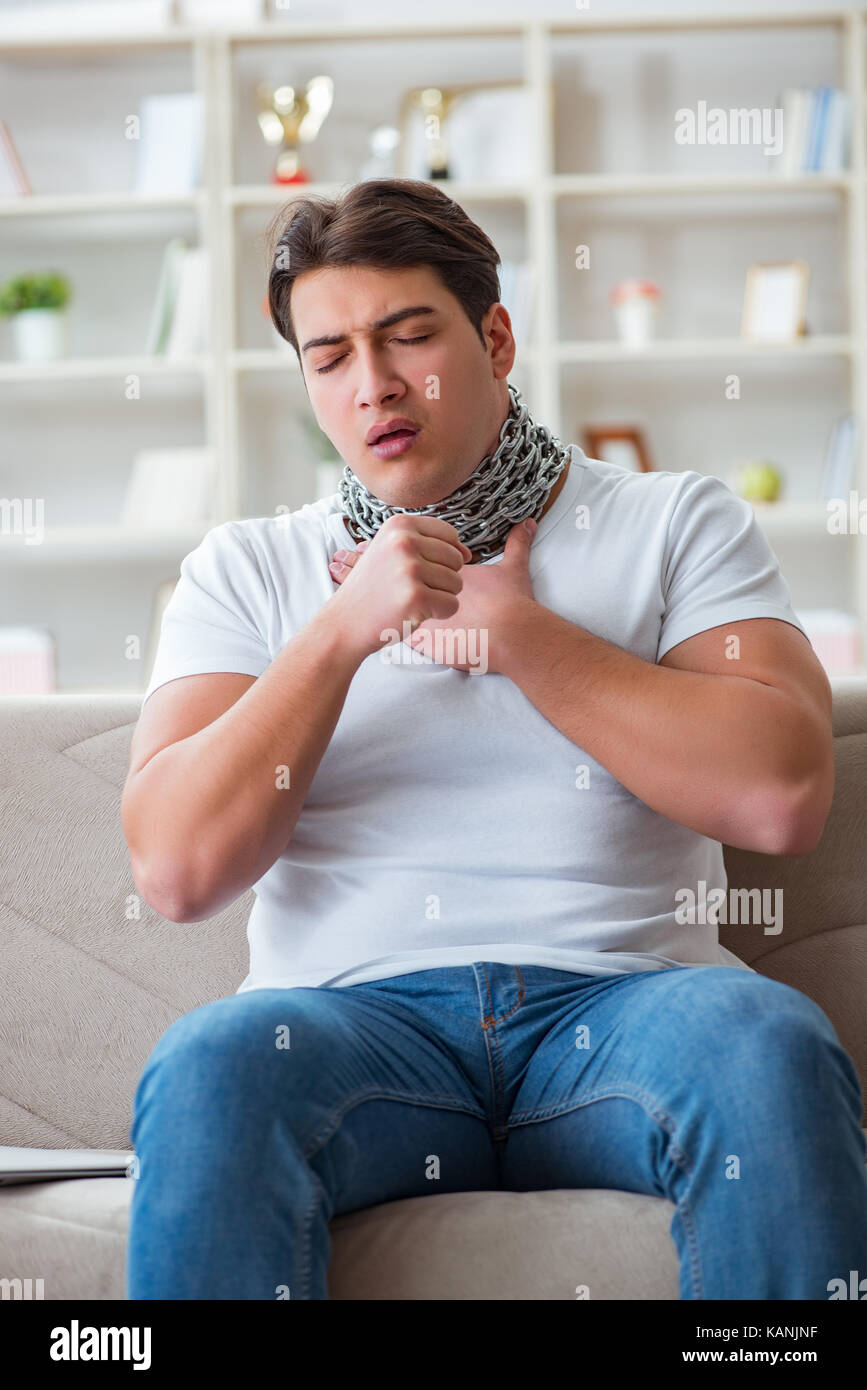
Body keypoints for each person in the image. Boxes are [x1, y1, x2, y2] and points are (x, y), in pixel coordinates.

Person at [121, 178, 867, 1300]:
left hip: (625, 1008)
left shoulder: (674, 523)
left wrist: (521, 636)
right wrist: (338, 635)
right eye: (328, 357)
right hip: (352, 1027)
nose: (372, 384)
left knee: (766, 1041)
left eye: (408, 335)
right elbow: (176, 868)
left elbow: (781, 793)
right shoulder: (251, 571)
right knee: (211, 1064)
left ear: (496, 335)